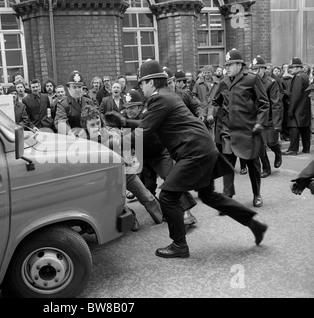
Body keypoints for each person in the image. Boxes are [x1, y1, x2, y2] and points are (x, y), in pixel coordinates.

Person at [106, 59, 268, 258]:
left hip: (194, 151)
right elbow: (151, 121)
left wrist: (109, 144)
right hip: (202, 147)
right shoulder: (166, 95)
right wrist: (125, 121)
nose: (141, 87)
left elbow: (144, 132)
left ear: (150, 82)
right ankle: (254, 223)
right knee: (209, 196)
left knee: (167, 196)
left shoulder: (159, 99)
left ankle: (179, 245)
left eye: (141, 83)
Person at [118, 89, 198, 226]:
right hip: (142, 158)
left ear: (140, 106)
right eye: (127, 108)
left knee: (172, 179)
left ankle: (186, 212)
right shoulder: (123, 119)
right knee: (146, 188)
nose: (129, 111)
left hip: (159, 153)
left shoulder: (148, 115)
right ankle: (164, 212)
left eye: (132, 107)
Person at [79, 104, 163, 228]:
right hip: (105, 178)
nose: (96, 127)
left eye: (98, 123)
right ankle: (131, 218)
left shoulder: (109, 134)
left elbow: (123, 149)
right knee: (116, 203)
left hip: (125, 171)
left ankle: (162, 216)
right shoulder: (82, 141)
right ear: (84, 126)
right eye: (92, 125)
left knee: (146, 196)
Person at [212, 48, 270, 208]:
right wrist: (218, 117)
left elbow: (264, 104)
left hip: (248, 131)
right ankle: (227, 198)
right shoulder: (223, 82)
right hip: (229, 131)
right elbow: (216, 101)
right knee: (227, 165)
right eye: (226, 65)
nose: (227, 68)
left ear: (239, 65)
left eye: (230, 64)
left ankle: (257, 194)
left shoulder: (251, 79)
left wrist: (259, 122)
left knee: (253, 165)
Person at [250, 56, 283, 178]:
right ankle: (266, 168)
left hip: (269, 118)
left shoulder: (271, 83)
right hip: (257, 118)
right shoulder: (250, 81)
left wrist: (277, 123)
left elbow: (276, 104)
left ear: (264, 69)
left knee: (271, 142)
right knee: (260, 145)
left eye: (257, 69)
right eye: (253, 69)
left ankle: (277, 152)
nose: (255, 72)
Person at [283, 57, 312, 155]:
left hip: (297, 108)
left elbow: (295, 95)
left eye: (292, 67)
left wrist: (291, 110)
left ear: (298, 68)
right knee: (305, 128)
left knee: (294, 127)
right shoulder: (305, 76)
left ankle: (293, 149)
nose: (290, 69)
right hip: (304, 108)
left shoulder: (298, 77)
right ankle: (306, 148)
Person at [54, 70, 95, 135]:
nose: (78, 90)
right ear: (68, 89)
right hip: (73, 139)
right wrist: (70, 134)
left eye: (79, 87)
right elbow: (60, 122)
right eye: (74, 87)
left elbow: (95, 118)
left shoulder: (89, 102)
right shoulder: (63, 105)